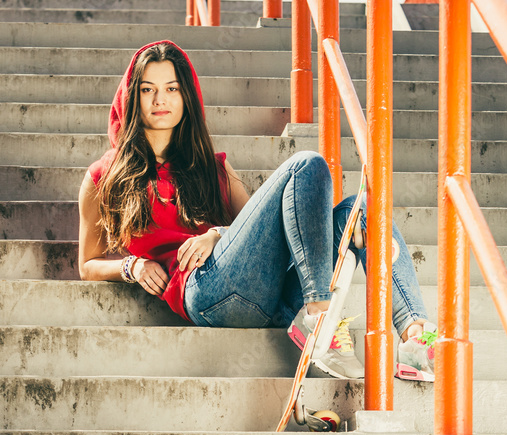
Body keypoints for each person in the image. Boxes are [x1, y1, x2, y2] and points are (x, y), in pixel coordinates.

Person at [78, 39, 438, 381]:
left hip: (268, 291)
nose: (161, 99)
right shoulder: (104, 176)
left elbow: (266, 232)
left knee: (362, 212)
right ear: (132, 97)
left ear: (186, 96)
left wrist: (218, 234)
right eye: (148, 89)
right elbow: (88, 264)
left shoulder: (214, 167)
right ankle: (320, 318)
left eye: (171, 88)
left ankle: (414, 339)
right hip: (206, 291)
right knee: (306, 164)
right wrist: (132, 265)